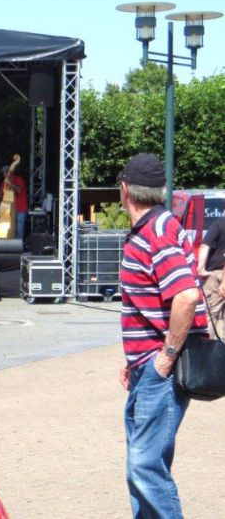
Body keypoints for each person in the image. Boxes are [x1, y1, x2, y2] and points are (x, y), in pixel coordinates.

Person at [117, 153, 209, 518]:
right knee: (143, 466)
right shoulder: (156, 228)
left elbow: (186, 294)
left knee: (144, 466)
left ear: (124, 190)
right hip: (148, 366)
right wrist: (134, 361)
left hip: (160, 370)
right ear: (161, 191)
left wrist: (165, 357)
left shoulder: (156, 231)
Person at [196, 213, 225, 334]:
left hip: (216, 275)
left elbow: (204, 246)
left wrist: (200, 269)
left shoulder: (219, 224)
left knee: (210, 315)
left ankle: (210, 350)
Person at [0, 163, 28, 240]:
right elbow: (1, 194)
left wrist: (10, 183)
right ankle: (9, 244)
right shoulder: (4, 182)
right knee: (8, 228)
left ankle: (18, 246)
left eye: (5, 172)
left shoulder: (19, 179)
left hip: (20, 207)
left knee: (19, 228)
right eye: (3, 173)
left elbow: (18, 190)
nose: (4, 175)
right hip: (8, 209)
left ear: (10, 172)